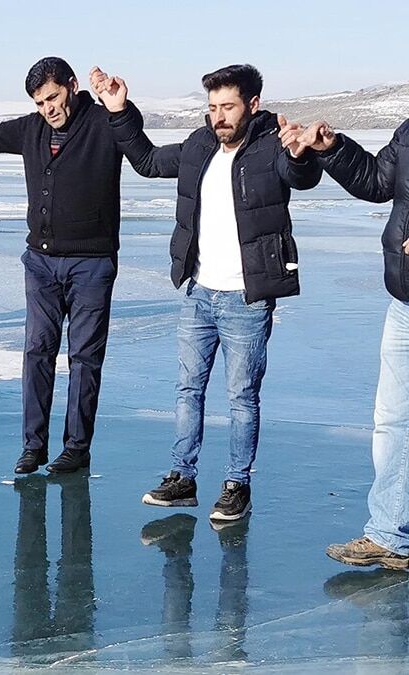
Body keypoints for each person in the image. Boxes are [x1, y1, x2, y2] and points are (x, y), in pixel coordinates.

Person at [92, 64, 322, 521]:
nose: (219, 117)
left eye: (228, 107)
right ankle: (182, 478)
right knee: (188, 390)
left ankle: (237, 484)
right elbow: (149, 161)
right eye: (213, 107)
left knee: (241, 397)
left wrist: (300, 155)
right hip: (198, 292)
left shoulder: (272, 147)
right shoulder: (199, 146)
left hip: (246, 296)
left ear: (252, 105)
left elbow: (301, 176)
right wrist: (118, 110)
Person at [0, 57, 126, 474]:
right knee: (37, 351)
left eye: (53, 98)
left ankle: (76, 448)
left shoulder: (101, 124)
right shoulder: (33, 128)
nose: (48, 109)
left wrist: (119, 108)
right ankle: (33, 445)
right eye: (40, 102)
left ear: (72, 86)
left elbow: (134, 139)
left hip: (91, 263)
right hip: (40, 262)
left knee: (84, 356)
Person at [304, 118, 409, 570]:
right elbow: (377, 181)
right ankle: (391, 534)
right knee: (392, 421)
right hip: (405, 300)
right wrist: (331, 148)